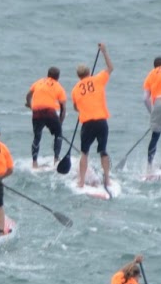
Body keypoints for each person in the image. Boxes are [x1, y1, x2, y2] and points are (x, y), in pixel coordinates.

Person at [71, 43, 115, 193]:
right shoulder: (98, 79)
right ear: (89, 72)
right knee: (103, 150)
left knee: (84, 152)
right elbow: (110, 68)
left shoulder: (75, 89)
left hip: (87, 123)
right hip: (101, 121)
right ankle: (107, 179)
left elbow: (76, 107)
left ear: (78, 75)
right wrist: (104, 52)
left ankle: (81, 182)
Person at [25, 67, 67, 168]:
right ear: (58, 77)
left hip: (37, 112)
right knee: (58, 135)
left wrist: (30, 105)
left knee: (37, 136)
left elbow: (28, 96)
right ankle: (56, 160)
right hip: (50, 112)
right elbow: (63, 109)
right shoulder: (59, 87)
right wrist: (59, 124)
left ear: (47, 74)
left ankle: (34, 163)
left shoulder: (39, 82)